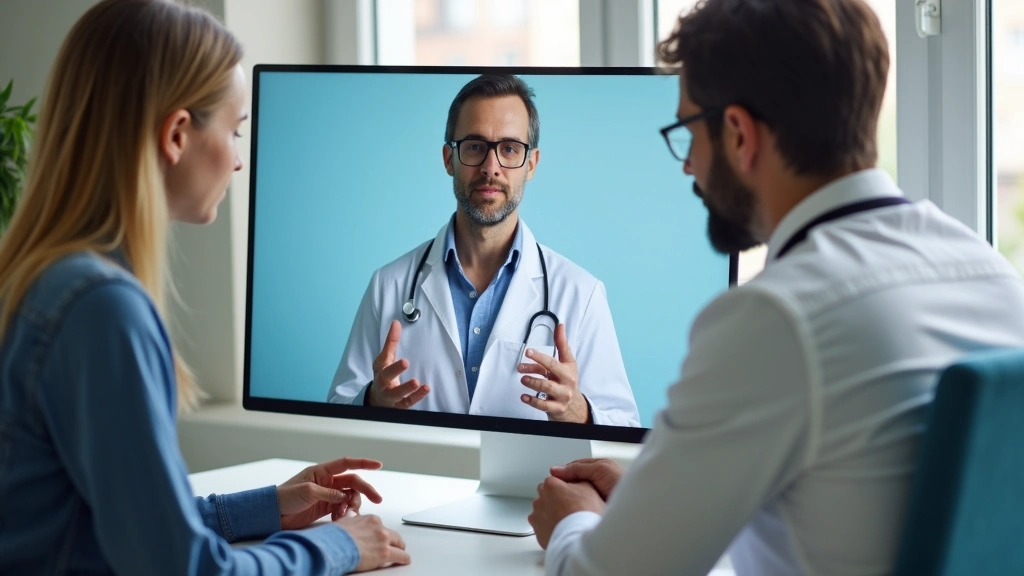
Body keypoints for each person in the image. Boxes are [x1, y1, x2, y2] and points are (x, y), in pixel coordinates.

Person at [525, 0, 1024, 574]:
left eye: (689, 131)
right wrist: (658, 488)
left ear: (738, 134)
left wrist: (572, 521)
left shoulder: (778, 317)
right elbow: (861, 492)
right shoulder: (990, 273)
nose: (688, 165)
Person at [0, 1, 409, 574]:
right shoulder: (101, 309)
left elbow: (115, 517)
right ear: (176, 134)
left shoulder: (40, 279)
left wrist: (265, 507)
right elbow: (182, 568)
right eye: (235, 131)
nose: (239, 161)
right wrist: (341, 546)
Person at [327, 74, 639, 426]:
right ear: (449, 159)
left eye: (509, 149)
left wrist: (577, 412)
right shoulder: (389, 285)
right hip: (420, 480)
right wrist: (372, 401)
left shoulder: (581, 294)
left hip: (531, 483)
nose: (491, 168)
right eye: (475, 146)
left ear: (531, 164)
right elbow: (337, 412)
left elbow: (624, 430)